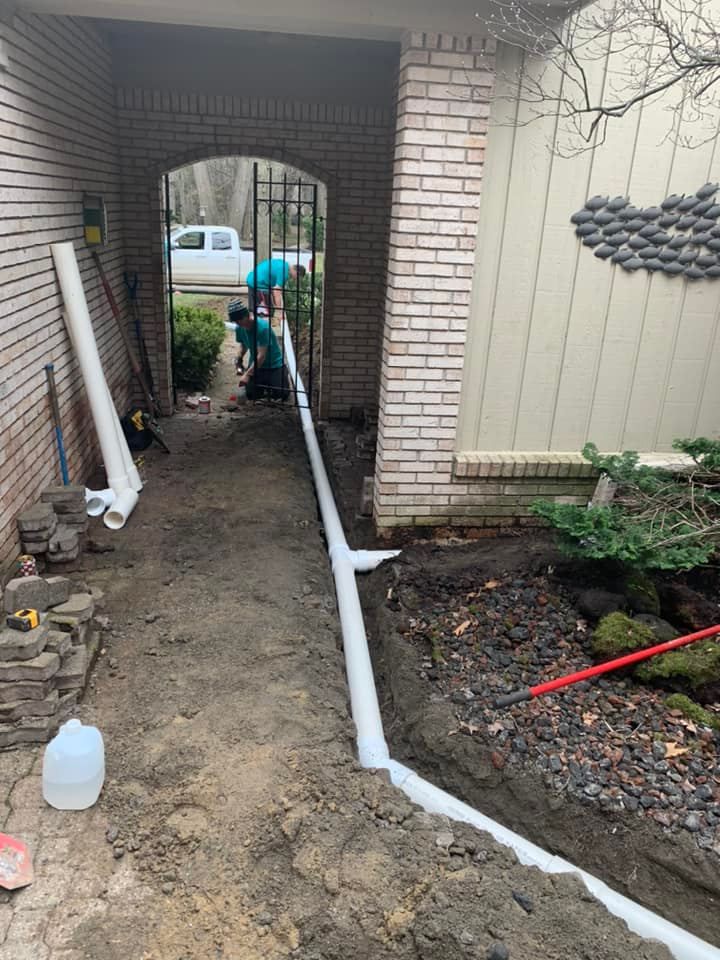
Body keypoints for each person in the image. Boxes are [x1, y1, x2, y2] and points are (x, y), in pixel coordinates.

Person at [228, 300, 289, 402]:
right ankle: (262, 385)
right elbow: (243, 345)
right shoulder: (240, 328)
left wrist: (247, 374)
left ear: (247, 316)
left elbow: (261, 356)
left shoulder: (262, 328)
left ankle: (280, 376)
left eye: (240, 320)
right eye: (235, 321)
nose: (238, 323)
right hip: (256, 366)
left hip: (274, 365)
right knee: (251, 395)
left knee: (282, 395)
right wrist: (239, 358)